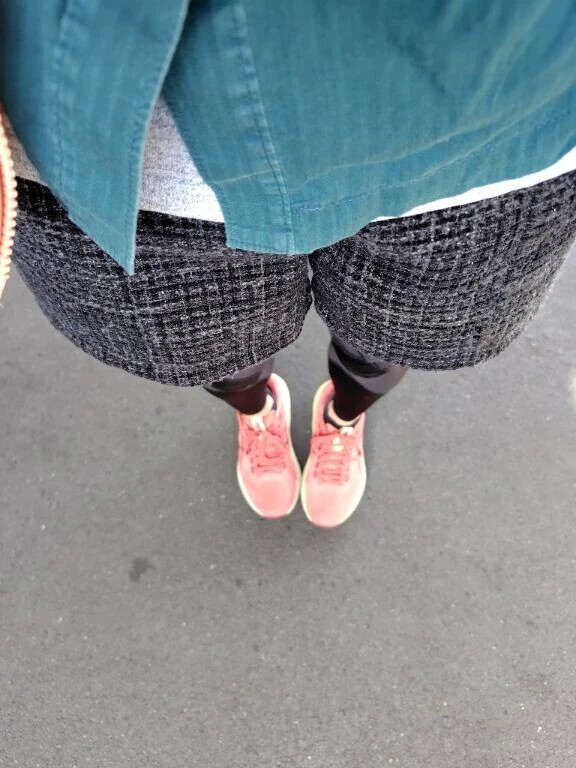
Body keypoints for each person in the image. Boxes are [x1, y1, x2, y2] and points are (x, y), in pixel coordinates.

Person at [2, 2, 575, 528]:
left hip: (490, 121)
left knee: (394, 333)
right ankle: (257, 411)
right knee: (211, 349)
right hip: (119, 154)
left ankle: (343, 417)